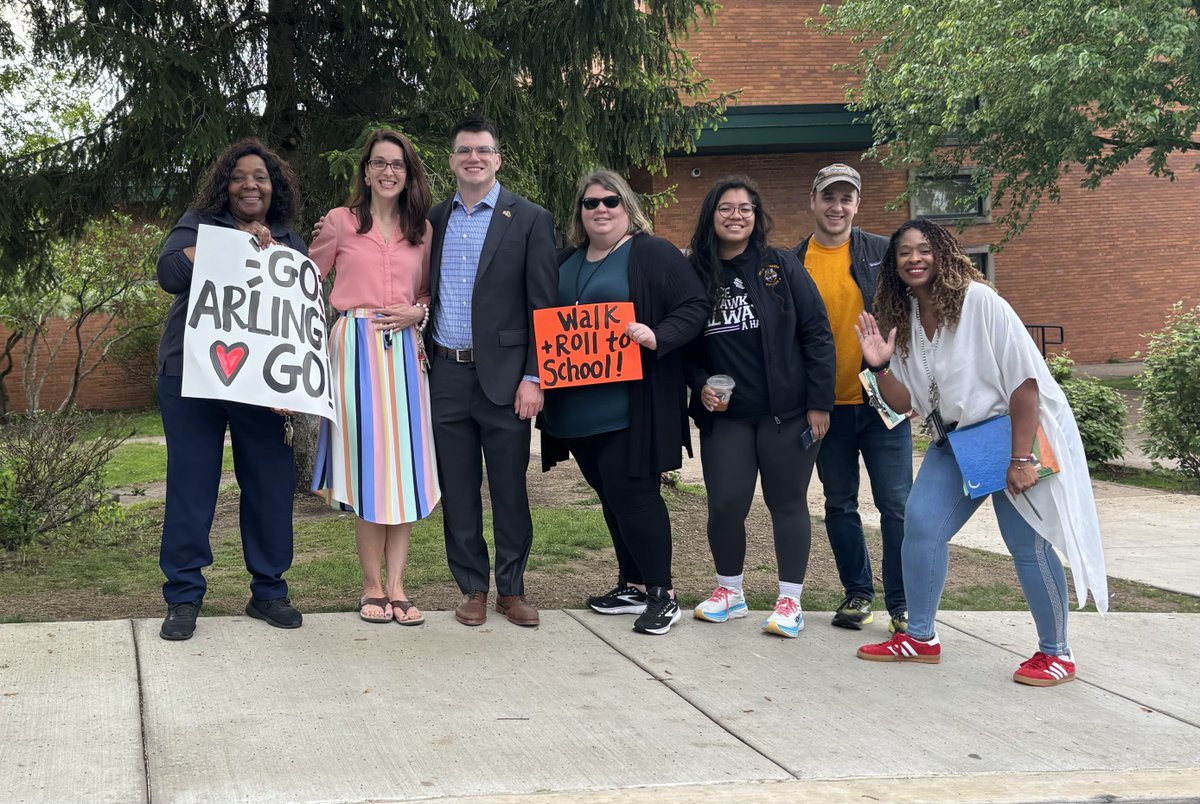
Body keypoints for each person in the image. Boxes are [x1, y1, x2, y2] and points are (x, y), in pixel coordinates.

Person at [853, 218, 1108, 685]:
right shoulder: (906, 317)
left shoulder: (980, 301)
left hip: (1006, 435)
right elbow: (904, 403)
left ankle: (1057, 653)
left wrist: (1021, 459)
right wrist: (881, 366)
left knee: (1027, 543)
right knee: (921, 527)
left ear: (945, 253)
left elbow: (1025, 382)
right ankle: (921, 638)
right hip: (952, 442)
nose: (915, 258)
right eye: (904, 252)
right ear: (893, 265)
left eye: (924, 249)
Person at [540, 169, 709, 635]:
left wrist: (658, 336)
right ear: (580, 212)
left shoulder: (650, 252)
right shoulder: (565, 260)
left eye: (610, 202)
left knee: (634, 495)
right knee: (611, 496)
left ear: (627, 206)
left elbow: (694, 306)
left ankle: (662, 593)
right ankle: (633, 584)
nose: (600, 210)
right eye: (590, 203)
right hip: (575, 412)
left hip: (631, 406)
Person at [155, 139, 306, 641]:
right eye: (240, 176)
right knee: (191, 485)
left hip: (262, 385)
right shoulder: (199, 221)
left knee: (269, 483)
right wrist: (228, 245)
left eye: (260, 177)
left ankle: (268, 590)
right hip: (191, 374)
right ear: (226, 184)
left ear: (273, 187)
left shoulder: (288, 239)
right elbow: (169, 273)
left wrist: (295, 385)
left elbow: (299, 319)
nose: (250, 184)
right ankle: (183, 597)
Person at [687, 176, 836, 638]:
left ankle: (790, 600)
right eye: (726, 208)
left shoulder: (781, 265)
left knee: (787, 502)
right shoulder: (694, 272)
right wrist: (699, 386)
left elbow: (816, 333)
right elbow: (684, 345)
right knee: (726, 504)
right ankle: (729, 592)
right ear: (711, 215)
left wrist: (819, 403)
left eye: (745, 208)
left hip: (786, 414)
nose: (736, 215)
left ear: (757, 216)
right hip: (727, 416)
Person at [426, 117, 558, 627]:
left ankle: (513, 589)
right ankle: (472, 588)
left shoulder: (528, 218)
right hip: (446, 376)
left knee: (508, 489)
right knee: (458, 491)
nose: (473, 158)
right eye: (464, 151)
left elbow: (542, 306)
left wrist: (535, 376)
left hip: (507, 380)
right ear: (453, 159)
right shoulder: (435, 219)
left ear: (497, 159)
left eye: (483, 150)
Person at [309, 129, 440, 625]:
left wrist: (417, 313)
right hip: (354, 353)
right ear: (365, 171)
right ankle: (370, 587)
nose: (389, 171)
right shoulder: (340, 224)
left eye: (398, 164)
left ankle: (399, 586)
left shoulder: (421, 229)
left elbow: (427, 293)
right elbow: (302, 280)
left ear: (408, 174)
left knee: (402, 472)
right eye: (380, 163)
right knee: (368, 471)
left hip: (405, 356)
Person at [794, 163, 912, 634]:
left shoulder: (884, 254)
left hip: (882, 404)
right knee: (839, 504)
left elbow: (919, 315)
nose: (836, 206)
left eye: (846, 198)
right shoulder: (792, 260)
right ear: (813, 201)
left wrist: (916, 382)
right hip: (828, 410)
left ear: (857, 204)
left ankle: (903, 603)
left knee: (896, 506)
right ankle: (858, 593)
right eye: (829, 197)